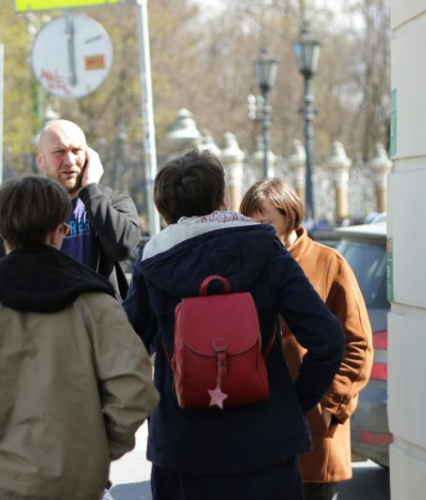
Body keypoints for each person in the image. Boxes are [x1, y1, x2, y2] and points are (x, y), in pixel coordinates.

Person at [0, 175, 159, 500]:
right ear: (61, 231)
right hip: (76, 481)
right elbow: (136, 391)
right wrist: (99, 448)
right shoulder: (98, 305)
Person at [122, 149, 344, 500]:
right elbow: (328, 340)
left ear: (164, 213)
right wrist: (291, 401)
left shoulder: (153, 264)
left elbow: (123, 351)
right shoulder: (267, 251)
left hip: (185, 449)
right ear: (222, 199)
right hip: (266, 445)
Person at [240, 178, 374, 500]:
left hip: (313, 432)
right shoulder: (245, 266)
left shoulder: (329, 263)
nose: (257, 230)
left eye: (266, 222)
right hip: (261, 431)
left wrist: (329, 406)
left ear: (291, 217)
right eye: (250, 222)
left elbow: (358, 345)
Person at [0, 119, 141, 301]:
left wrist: (91, 190)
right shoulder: (19, 209)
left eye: (76, 151)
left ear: (89, 156)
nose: (69, 161)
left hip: (97, 319)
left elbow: (121, 248)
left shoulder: (113, 201)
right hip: (38, 319)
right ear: (41, 159)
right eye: (59, 152)